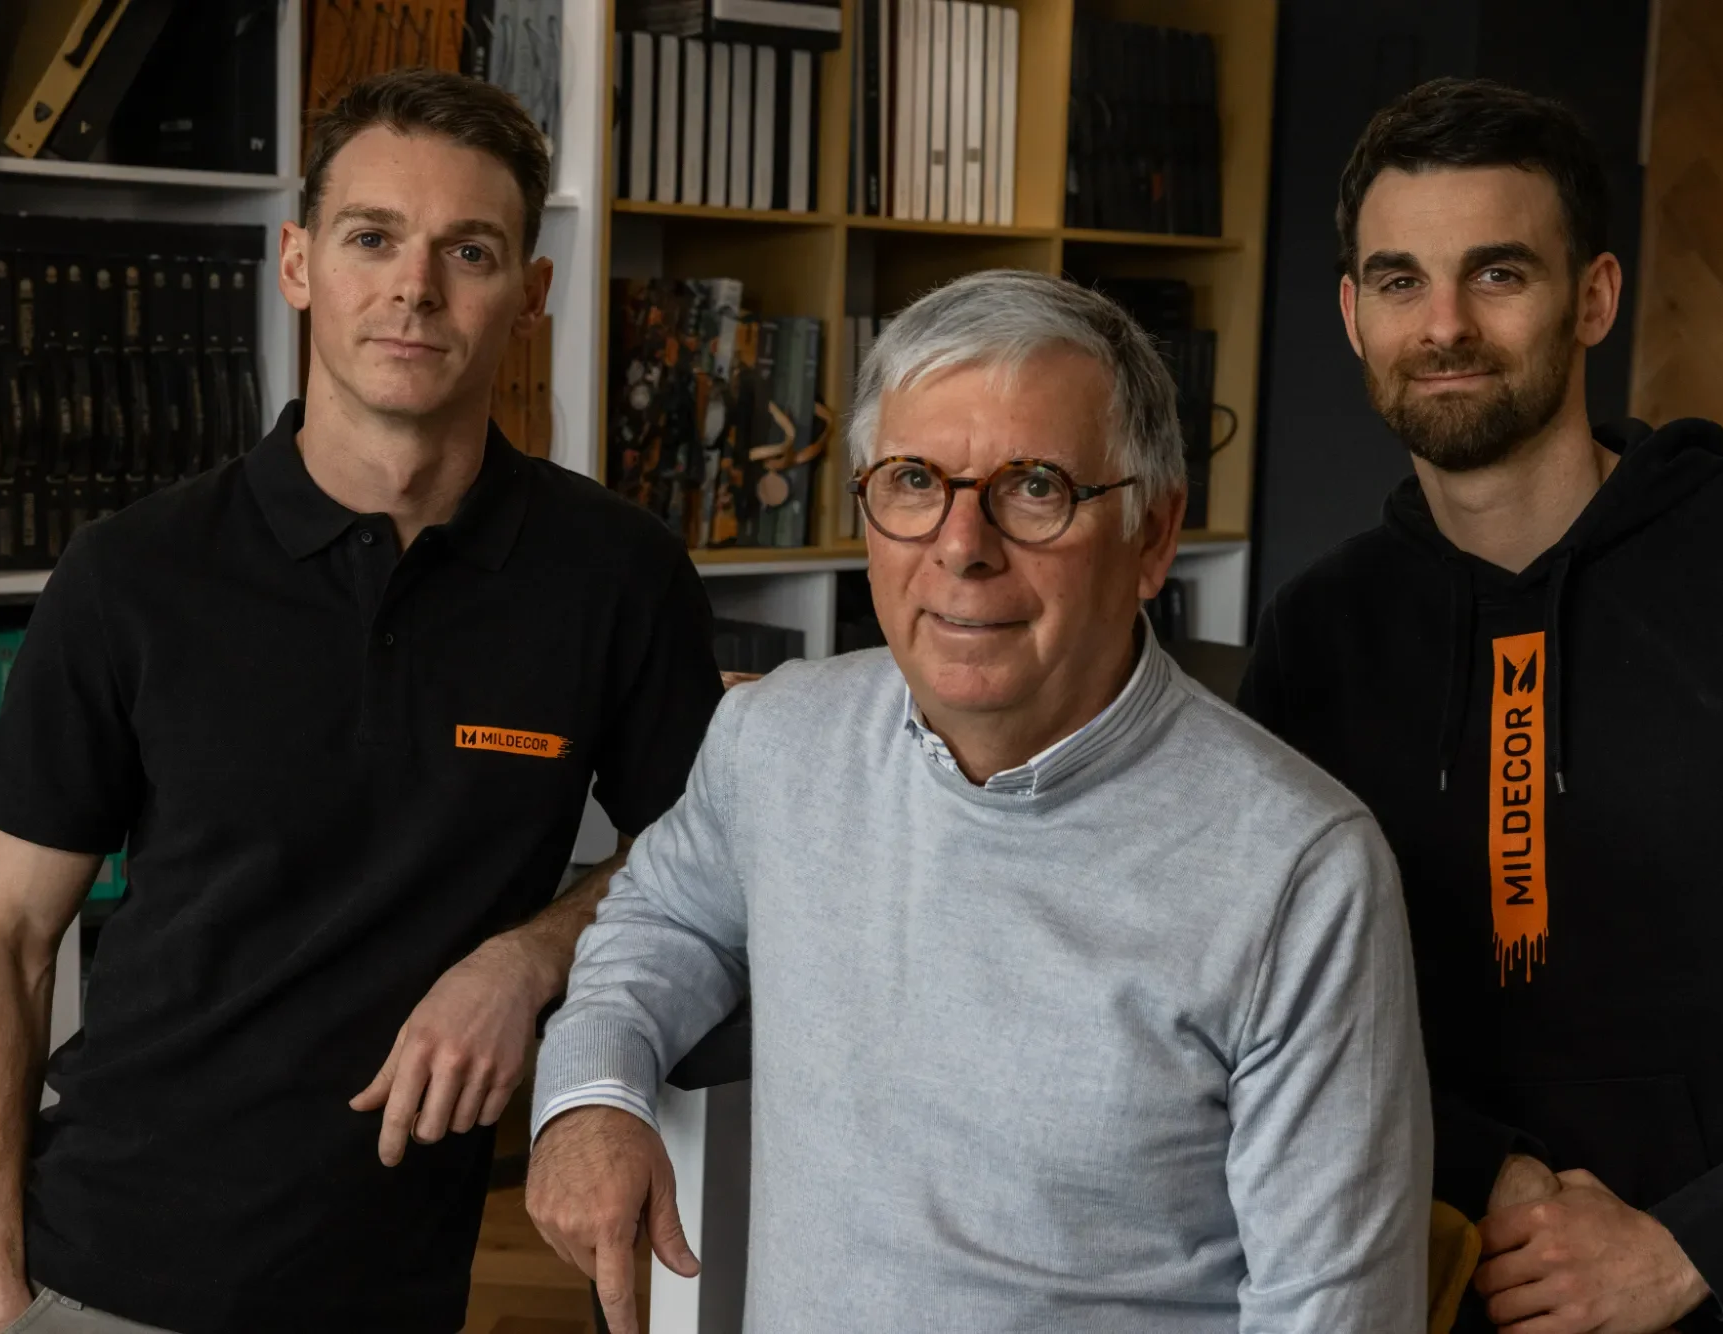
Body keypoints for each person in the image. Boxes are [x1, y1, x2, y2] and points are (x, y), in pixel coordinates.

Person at [0, 69, 724, 1334]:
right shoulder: (132, 571)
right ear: (298, 264)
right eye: (371, 238)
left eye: (467, 249)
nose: (414, 287)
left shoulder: (613, 575)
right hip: (103, 1268)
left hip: (397, 1288)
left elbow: (706, 849)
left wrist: (525, 956)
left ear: (531, 293)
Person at [522, 269, 1432, 1334]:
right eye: (913, 480)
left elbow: (1330, 1316)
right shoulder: (776, 739)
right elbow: (661, 915)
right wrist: (592, 1090)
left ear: (1151, 535)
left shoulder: (1298, 869)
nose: (960, 546)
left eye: (1034, 486)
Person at [1240, 76, 1723, 1334]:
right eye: (1399, 280)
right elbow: (1262, 1002)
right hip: (1402, 1285)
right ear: (1350, 314)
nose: (1442, 324)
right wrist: (1481, 1170)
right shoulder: (1317, 634)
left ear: (1593, 297)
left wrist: (1696, 1243)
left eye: (1496, 274)